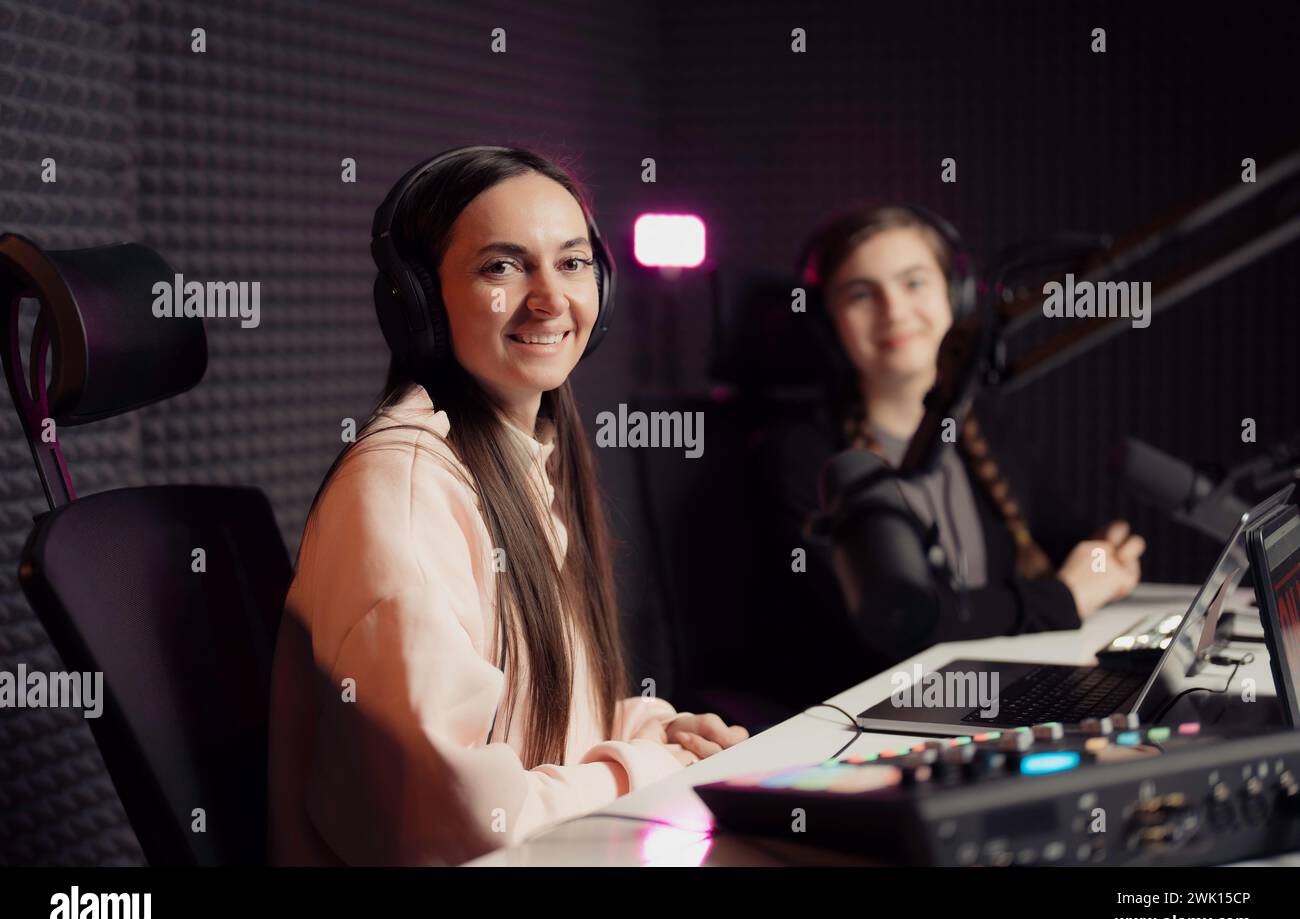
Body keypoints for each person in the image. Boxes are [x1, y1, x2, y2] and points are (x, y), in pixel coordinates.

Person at [267, 145, 748, 866]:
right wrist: (648, 769)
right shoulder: (403, 491)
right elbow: (459, 822)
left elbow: (529, 722)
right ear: (421, 302)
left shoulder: (522, 462)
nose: (550, 298)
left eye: (573, 262)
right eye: (502, 266)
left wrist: (654, 728)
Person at [753, 203, 1146, 709]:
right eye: (860, 294)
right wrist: (1064, 599)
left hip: (990, 693)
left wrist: (1106, 558)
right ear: (830, 323)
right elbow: (897, 624)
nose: (893, 310)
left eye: (914, 283)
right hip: (874, 713)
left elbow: (1071, 537)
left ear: (955, 296)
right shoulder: (803, 456)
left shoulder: (985, 429)